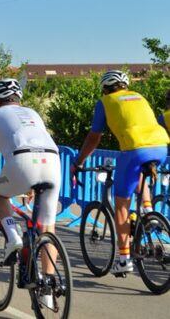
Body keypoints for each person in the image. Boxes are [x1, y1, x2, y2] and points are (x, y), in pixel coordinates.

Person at [0, 79, 61, 308]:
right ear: (18, 99)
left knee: (0, 196)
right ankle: (47, 286)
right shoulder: (33, 113)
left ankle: (12, 235)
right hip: (52, 161)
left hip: (22, 160)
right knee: (47, 229)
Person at [73, 71, 169, 274]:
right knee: (140, 174)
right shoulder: (140, 97)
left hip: (134, 149)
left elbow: (94, 137)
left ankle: (124, 258)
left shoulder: (105, 101)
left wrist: (79, 161)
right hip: (160, 147)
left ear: (105, 88)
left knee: (121, 205)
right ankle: (150, 212)